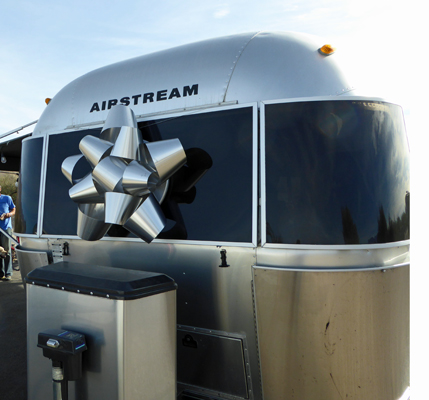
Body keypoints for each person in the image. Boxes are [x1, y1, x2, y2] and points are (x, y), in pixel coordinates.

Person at [0, 185, 16, 281]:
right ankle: (0, 273)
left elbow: (13, 209)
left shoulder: (7, 198)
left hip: (6, 228)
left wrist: (8, 214)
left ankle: (8, 273)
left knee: (6, 251)